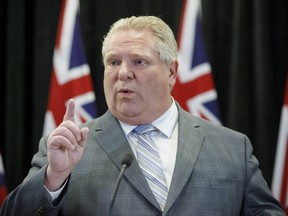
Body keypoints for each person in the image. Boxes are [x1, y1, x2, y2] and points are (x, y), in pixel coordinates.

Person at [0, 15, 285, 216]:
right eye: (113, 62)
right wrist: (54, 178)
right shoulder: (67, 148)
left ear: (171, 72)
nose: (123, 72)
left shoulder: (232, 148)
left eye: (139, 61)